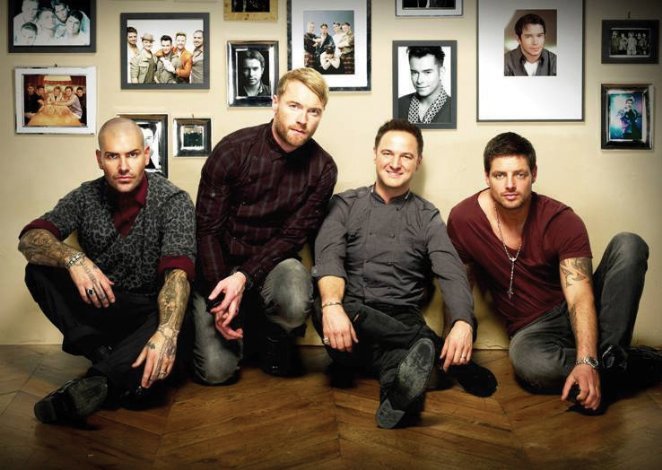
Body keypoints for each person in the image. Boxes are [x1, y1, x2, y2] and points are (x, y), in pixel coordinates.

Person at [446, 132, 661, 415]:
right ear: (486, 177)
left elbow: (579, 297)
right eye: (500, 175)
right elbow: (460, 281)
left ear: (534, 174)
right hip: (533, 329)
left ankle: (604, 364)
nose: (510, 184)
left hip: (580, 307)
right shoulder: (463, 219)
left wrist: (586, 360)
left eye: (520, 174)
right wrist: (459, 326)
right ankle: (627, 364)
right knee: (531, 365)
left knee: (629, 244)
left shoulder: (561, 220)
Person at [313, 119, 496, 429]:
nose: (395, 164)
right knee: (324, 302)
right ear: (375, 154)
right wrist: (332, 306)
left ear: (418, 162)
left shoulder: (427, 216)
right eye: (388, 153)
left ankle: (395, 401)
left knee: (403, 365)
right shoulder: (345, 204)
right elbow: (328, 255)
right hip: (346, 321)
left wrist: (463, 322)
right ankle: (430, 345)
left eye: (406, 156)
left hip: (400, 315)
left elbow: (451, 271)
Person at [18, 117, 195, 425]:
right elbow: (30, 239)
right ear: (99, 159)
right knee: (38, 270)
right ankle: (109, 361)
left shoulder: (173, 201)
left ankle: (97, 380)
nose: (123, 166)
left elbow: (177, 275)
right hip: (102, 302)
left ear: (146, 155)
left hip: (148, 312)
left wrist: (166, 333)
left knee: (180, 310)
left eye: (132, 154)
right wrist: (73, 259)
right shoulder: (84, 197)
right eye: (113, 156)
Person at [192, 68, 337, 385]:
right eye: (294, 106)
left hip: (272, 264)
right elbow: (206, 231)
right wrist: (220, 301)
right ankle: (238, 325)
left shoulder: (323, 168)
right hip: (218, 264)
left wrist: (243, 278)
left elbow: (291, 237)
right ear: (275, 103)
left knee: (295, 297)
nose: (302, 119)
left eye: (313, 111)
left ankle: (272, 335)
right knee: (216, 373)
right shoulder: (233, 151)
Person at [397, 46, 452, 125]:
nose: (419, 80)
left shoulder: (455, 108)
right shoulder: (398, 104)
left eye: (427, 72)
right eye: (415, 72)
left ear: (441, 72)